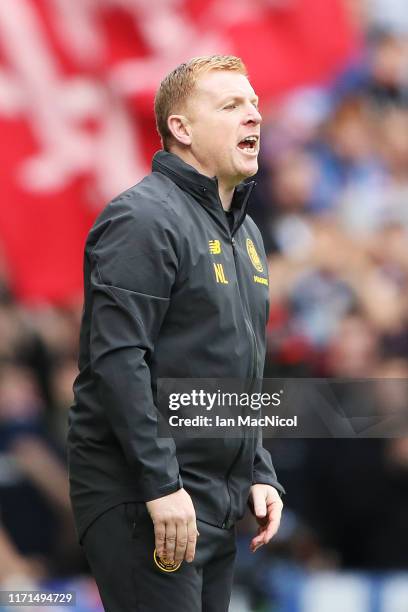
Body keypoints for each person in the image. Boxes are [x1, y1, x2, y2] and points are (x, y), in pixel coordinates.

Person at [67, 55, 284, 612]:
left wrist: (258, 470)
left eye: (254, 104)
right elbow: (118, 362)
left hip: (213, 501)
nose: (253, 116)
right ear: (181, 130)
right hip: (146, 495)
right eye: (231, 105)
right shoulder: (142, 218)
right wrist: (161, 486)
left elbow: (238, 367)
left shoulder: (248, 232)